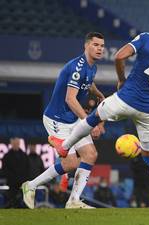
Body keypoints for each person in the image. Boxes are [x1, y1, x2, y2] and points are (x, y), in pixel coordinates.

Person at [48, 8, 149, 214]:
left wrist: (121, 80)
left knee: (94, 117)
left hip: (125, 99)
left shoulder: (147, 38)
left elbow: (119, 56)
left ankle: (64, 147)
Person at [21, 32, 106, 209]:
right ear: (86, 46)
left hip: (72, 118)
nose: (99, 49)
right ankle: (31, 186)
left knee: (90, 155)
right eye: (95, 45)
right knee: (71, 163)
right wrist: (90, 122)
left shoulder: (92, 67)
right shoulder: (77, 67)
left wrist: (96, 93)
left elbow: (88, 82)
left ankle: (74, 201)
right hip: (57, 119)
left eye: (102, 46)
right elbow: (70, 99)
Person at [3, 137, 30, 208]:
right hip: (12, 183)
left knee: (24, 201)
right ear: (11, 144)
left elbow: (27, 169)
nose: (15, 144)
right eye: (14, 143)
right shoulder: (6, 156)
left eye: (17, 143)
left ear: (19, 143)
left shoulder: (24, 156)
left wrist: (24, 179)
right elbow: (5, 170)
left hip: (23, 183)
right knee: (12, 201)